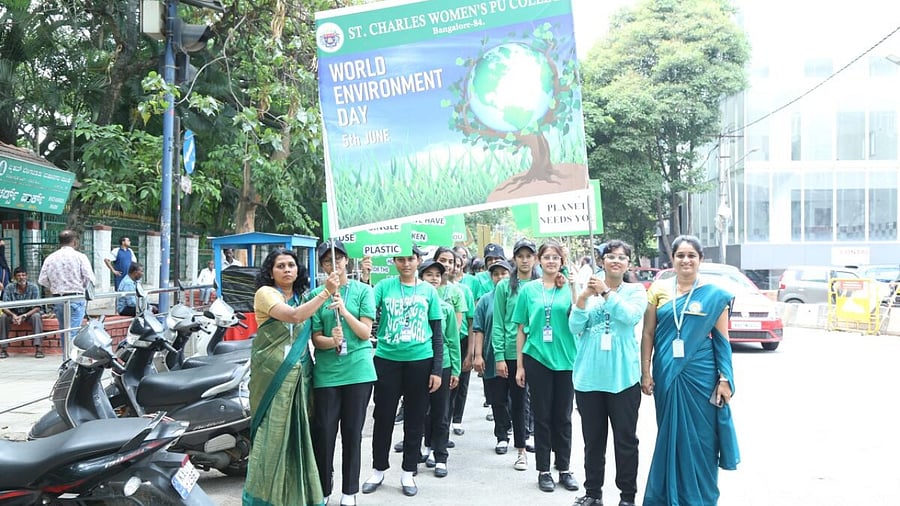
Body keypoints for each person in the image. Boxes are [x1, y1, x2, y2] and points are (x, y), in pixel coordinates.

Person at [640, 235, 739, 506]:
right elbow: (648, 333)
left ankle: (700, 498)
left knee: (702, 441)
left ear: (700, 260)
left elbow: (722, 342)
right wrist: (645, 372)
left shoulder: (714, 295)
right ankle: (667, 497)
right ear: (672, 259)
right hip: (667, 372)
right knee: (670, 435)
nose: (686, 260)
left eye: (691, 255)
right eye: (680, 255)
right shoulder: (658, 290)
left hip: (702, 376)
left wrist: (725, 378)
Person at [242, 248, 341, 506]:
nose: (287, 270)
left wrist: (334, 339)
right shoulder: (266, 294)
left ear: (298, 270)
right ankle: (264, 499)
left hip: (301, 377)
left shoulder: (303, 298)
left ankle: (300, 498)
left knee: (299, 440)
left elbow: (312, 326)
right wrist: (326, 291)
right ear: (271, 271)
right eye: (280, 266)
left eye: (291, 265)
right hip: (272, 378)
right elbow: (294, 316)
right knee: (271, 439)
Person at [568, 240, 647, 506]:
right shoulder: (589, 288)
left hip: (623, 379)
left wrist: (606, 293)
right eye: (610, 256)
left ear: (628, 264)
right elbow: (574, 327)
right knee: (593, 442)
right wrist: (582, 298)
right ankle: (593, 493)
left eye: (622, 257)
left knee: (625, 442)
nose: (616, 261)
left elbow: (629, 317)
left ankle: (627, 496)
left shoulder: (635, 291)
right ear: (601, 261)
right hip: (589, 378)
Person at [362, 247, 443, 498]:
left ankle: (408, 471)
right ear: (394, 261)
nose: (406, 263)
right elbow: (364, 309)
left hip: (420, 361)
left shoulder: (429, 291)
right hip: (387, 360)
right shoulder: (384, 287)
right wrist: (365, 279)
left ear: (418, 261)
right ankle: (378, 469)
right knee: (383, 417)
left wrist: (437, 369)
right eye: (401, 259)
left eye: (411, 259)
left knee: (415, 418)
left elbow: (437, 334)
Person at [309, 240, 376, 506]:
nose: (333, 264)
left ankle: (350, 491)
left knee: (352, 432)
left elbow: (364, 333)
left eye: (337, 259)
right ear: (322, 266)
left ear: (346, 261)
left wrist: (344, 310)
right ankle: (324, 488)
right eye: (327, 261)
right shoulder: (317, 294)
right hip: (327, 374)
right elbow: (316, 339)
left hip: (358, 372)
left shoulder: (362, 291)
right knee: (324, 433)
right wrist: (331, 340)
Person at [513, 240, 579, 493]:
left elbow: (579, 317)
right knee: (542, 417)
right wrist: (519, 365)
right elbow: (520, 328)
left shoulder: (568, 287)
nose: (551, 261)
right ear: (540, 261)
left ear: (562, 261)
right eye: (547, 257)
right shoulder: (529, 290)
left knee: (563, 416)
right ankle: (543, 470)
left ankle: (564, 468)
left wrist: (575, 288)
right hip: (537, 357)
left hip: (566, 359)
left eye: (556, 257)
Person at [418, 258, 460, 478]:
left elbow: (452, 340)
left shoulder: (446, 309)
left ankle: (441, 454)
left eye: (437, 275)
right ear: (421, 277)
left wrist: (455, 370)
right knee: (422, 410)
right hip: (419, 364)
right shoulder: (415, 304)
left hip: (442, 366)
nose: (433, 279)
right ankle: (427, 446)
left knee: (441, 412)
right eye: (429, 275)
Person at [472, 259, 511, 453]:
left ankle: (524, 433)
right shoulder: (485, 300)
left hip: (514, 355)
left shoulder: (519, 296)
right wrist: (477, 355)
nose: (500, 277)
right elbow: (478, 329)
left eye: (504, 273)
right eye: (496, 274)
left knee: (520, 397)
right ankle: (502, 435)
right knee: (497, 398)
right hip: (491, 355)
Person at [38, 230, 96, 343]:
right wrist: (81, 286)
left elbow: (42, 280)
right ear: (74, 242)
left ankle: (66, 358)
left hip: (58, 298)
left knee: (64, 331)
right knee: (73, 331)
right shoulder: (80, 257)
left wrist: (54, 286)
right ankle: (70, 359)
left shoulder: (51, 258)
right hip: (76, 297)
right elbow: (90, 278)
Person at [0, 266, 45, 358]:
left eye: (23, 275)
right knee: (3, 317)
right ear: (15, 277)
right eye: (19, 275)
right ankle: (3, 349)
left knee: (36, 316)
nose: (21, 277)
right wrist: (13, 315)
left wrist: (24, 315)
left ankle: (38, 348)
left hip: (29, 314)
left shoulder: (33, 287)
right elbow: (4, 306)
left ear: (27, 276)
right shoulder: (9, 287)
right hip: (13, 314)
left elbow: (37, 307)